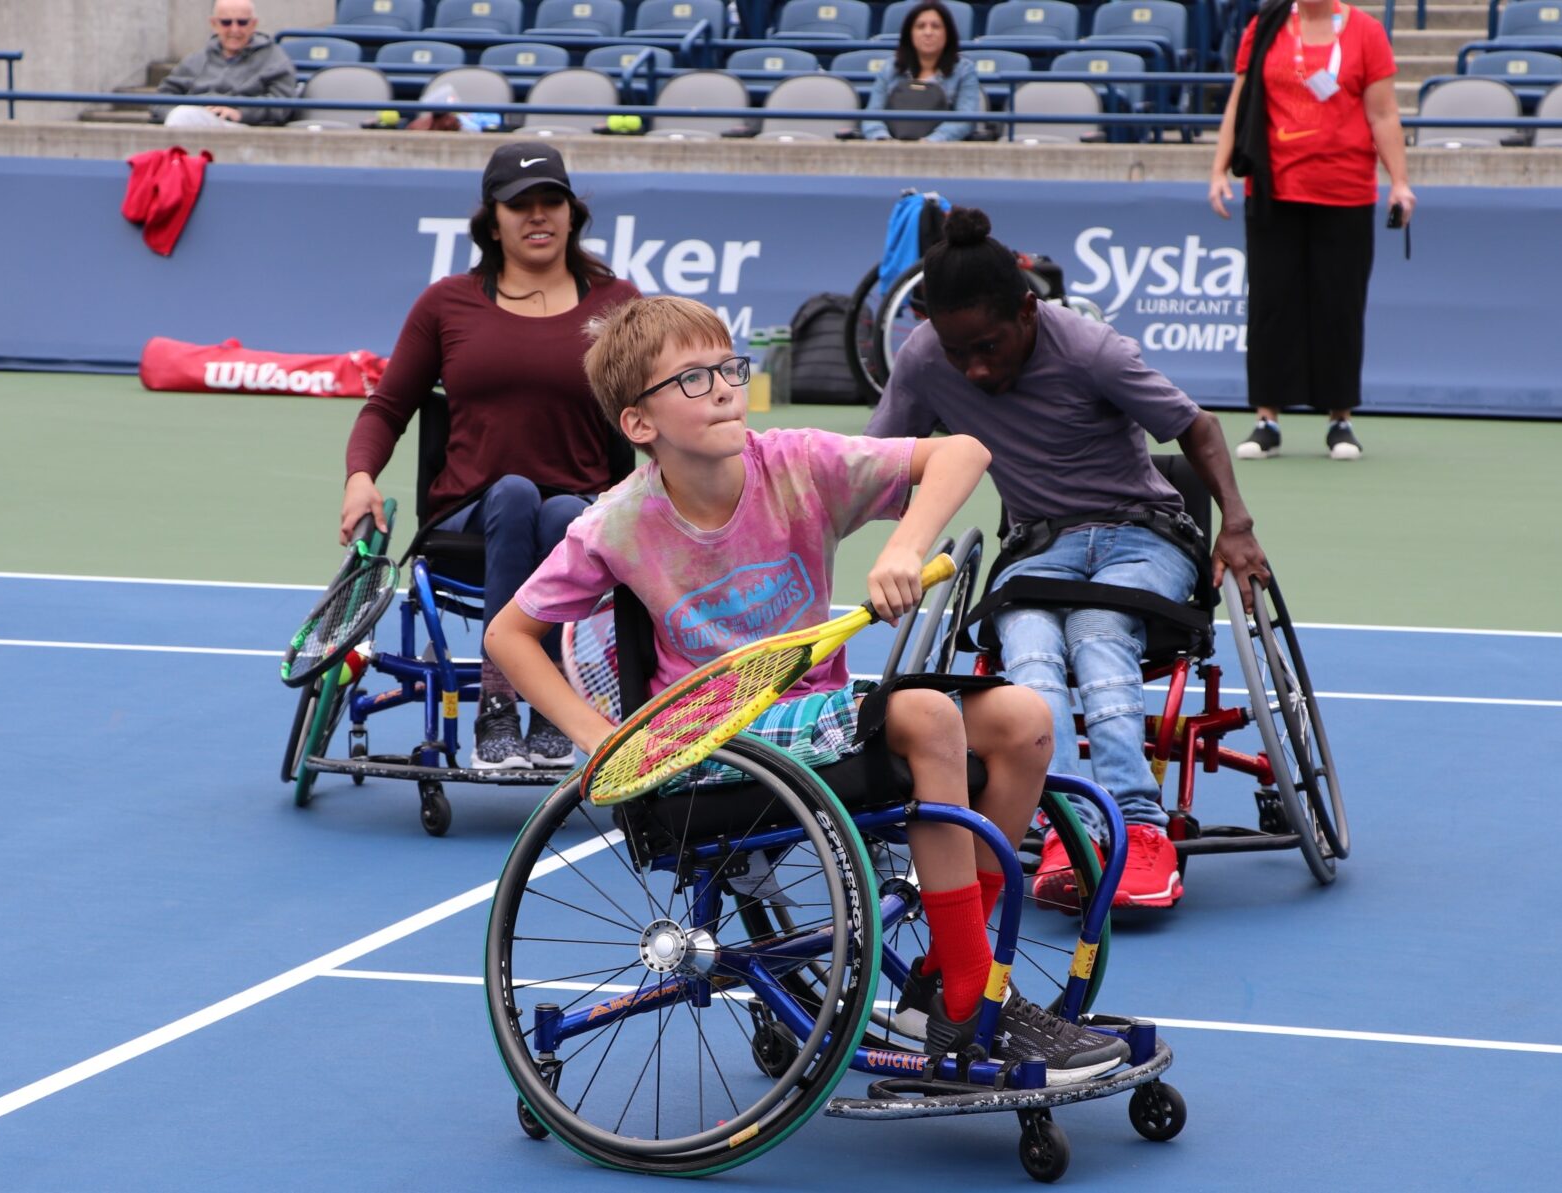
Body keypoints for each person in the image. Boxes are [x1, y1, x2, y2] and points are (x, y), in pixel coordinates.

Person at [485, 295, 1127, 1076]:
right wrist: (601, 743)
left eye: (728, 367)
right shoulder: (615, 524)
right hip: (709, 740)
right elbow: (508, 634)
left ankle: (948, 981)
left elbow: (961, 452)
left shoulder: (792, 462)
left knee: (1024, 719)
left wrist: (904, 546)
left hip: (812, 717)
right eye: (692, 378)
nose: (724, 387)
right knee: (925, 716)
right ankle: (969, 997)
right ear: (638, 423)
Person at [868, 208, 1272, 912]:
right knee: (1025, 645)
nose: (976, 367)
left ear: (1028, 309)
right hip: (1039, 544)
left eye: (989, 346)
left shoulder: (1091, 349)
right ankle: (1070, 828)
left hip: (1143, 536)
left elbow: (1197, 427)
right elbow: (881, 464)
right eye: (960, 352)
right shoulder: (927, 356)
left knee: (1095, 629)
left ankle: (1138, 827)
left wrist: (1235, 525)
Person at [342, 142, 640, 769]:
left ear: (571, 213)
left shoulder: (616, 302)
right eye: (520, 205)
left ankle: (554, 712)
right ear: (492, 221)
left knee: (561, 513)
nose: (537, 216)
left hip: (579, 512)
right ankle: (497, 708)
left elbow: (652, 408)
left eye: (550, 202)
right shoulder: (447, 304)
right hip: (469, 512)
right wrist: (360, 478)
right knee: (514, 494)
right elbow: (387, 408)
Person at [1208, 0, 1414, 461]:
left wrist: (1399, 181)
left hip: (1346, 192)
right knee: (1271, 305)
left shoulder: (1365, 32)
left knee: (1338, 306)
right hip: (1272, 191)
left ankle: (1339, 420)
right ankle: (1267, 420)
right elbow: (1239, 103)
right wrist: (1219, 170)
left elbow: (1383, 114)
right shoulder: (1267, 27)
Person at [154, 0, 298, 129]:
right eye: (226, 22)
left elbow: (283, 104)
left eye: (242, 22)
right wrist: (188, 111)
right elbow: (163, 97)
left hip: (246, 129)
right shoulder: (196, 59)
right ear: (214, 24)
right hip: (193, 122)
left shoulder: (274, 58)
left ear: (253, 24)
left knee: (183, 117)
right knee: (182, 116)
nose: (234, 29)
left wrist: (241, 113)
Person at [859, 1, 984, 143]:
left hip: (940, 153)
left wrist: (929, 142)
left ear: (947, 33)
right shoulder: (890, 67)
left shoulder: (964, 69)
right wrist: (883, 140)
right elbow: (872, 115)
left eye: (935, 26)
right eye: (920, 26)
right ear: (910, 33)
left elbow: (965, 119)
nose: (928, 32)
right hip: (891, 150)